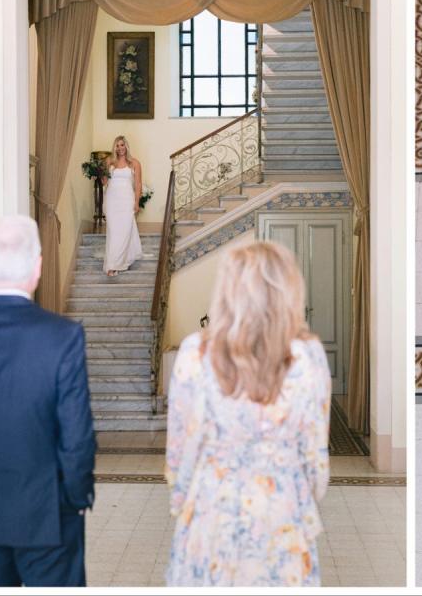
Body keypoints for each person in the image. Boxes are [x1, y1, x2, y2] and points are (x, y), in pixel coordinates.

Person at [0, 215, 96, 586]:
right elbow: (77, 436)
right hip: (49, 514)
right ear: (38, 265)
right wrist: (74, 500)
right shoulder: (63, 337)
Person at [165, 241, 331, 587]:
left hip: (212, 513)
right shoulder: (309, 356)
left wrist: (182, 501)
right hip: (281, 514)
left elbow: (180, 453)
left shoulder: (195, 353)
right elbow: (316, 461)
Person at [102, 134, 143, 276]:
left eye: (122, 145)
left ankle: (116, 264)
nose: (120, 148)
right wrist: (99, 173)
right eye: (117, 145)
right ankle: (112, 264)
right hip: (112, 200)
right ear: (114, 148)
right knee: (114, 232)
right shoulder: (109, 162)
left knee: (125, 232)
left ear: (126, 146)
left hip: (127, 201)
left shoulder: (135, 163)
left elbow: (138, 184)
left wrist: (137, 202)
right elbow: (105, 182)